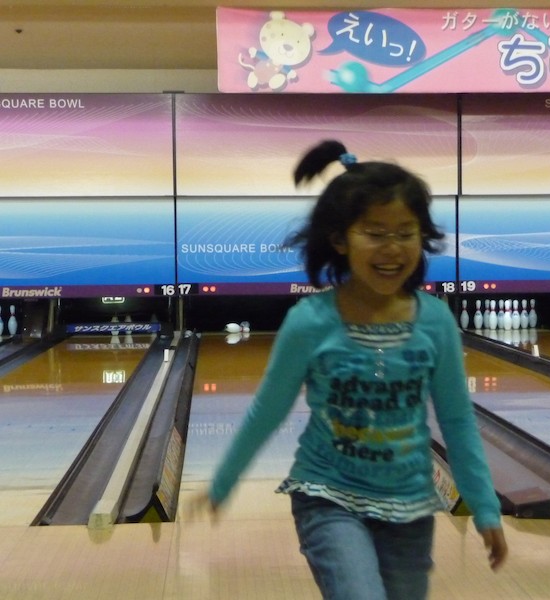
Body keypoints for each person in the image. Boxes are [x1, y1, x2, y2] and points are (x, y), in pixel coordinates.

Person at [191, 139, 507, 600]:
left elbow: (457, 420)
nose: (392, 248)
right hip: (328, 494)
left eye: (406, 233)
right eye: (375, 233)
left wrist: (485, 507)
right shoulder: (311, 322)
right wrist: (222, 482)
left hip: (409, 504)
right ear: (340, 240)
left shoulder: (436, 321)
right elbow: (268, 410)